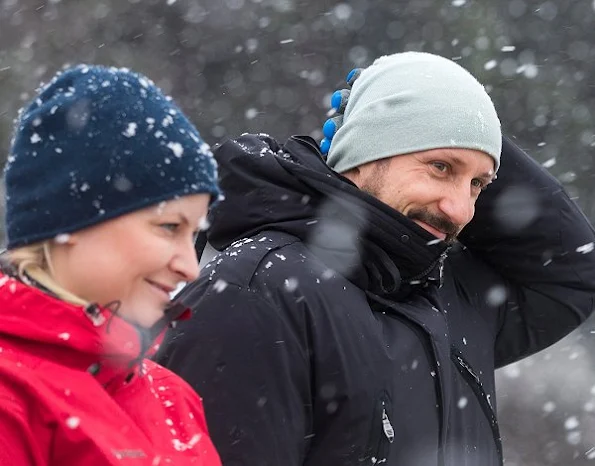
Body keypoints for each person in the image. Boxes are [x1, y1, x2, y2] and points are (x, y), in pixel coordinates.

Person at [156, 52, 595, 466]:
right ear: (365, 154)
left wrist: (466, 121)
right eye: (440, 167)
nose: (460, 210)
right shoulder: (258, 292)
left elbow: (573, 270)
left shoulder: (445, 294)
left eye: (478, 185)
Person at [0, 64, 222, 465]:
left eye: (194, 236)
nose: (191, 267)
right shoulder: (11, 402)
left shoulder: (175, 399)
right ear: (71, 221)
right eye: (169, 226)